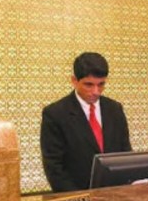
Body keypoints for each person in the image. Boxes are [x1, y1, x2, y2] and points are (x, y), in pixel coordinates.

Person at [40, 52, 132, 192]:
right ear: (74, 81)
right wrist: (79, 199)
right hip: (77, 196)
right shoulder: (55, 114)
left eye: (101, 84)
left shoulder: (115, 109)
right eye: (89, 85)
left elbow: (125, 153)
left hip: (115, 194)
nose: (96, 91)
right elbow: (54, 167)